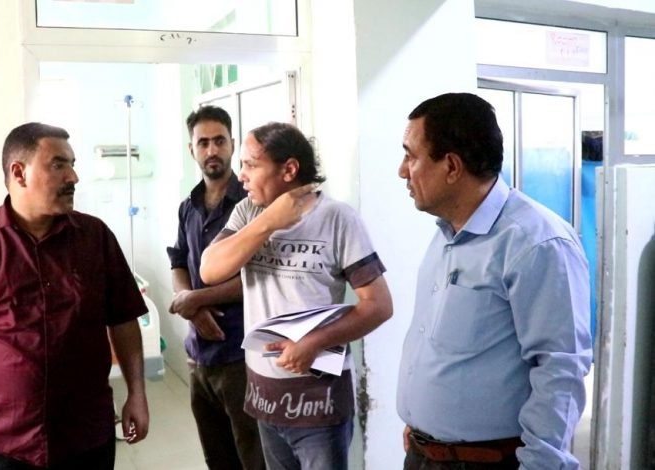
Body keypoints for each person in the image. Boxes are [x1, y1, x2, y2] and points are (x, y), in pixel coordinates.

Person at [0, 122, 150, 470]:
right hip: (1, 443)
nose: (73, 177)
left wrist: (137, 393)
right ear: (19, 173)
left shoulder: (95, 238)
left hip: (86, 437)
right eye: (58, 165)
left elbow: (123, 319)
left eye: (72, 164)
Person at [396, 92, 592, 469]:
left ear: (452, 166)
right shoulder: (447, 233)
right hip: (426, 454)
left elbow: (560, 369)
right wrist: (423, 423)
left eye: (411, 156)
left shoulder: (536, 242)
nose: (403, 171)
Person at [200, 122, 393, 470]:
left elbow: (378, 305)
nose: (241, 175)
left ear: (288, 169)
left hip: (318, 403)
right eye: (242, 164)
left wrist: (314, 342)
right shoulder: (248, 212)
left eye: (251, 165)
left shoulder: (337, 218)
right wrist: (268, 222)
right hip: (265, 397)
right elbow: (210, 270)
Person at [166, 105, 264, 470]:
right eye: (203, 142)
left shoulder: (253, 206)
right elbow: (179, 261)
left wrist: (195, 299)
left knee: (253, 456)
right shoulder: (187, 207)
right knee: (217, 457)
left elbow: (258, 277)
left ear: (233, 145)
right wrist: (190, 306)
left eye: (219, 141)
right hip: (199, 356)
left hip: (242, 355)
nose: (212, 150)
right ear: (191, 149)